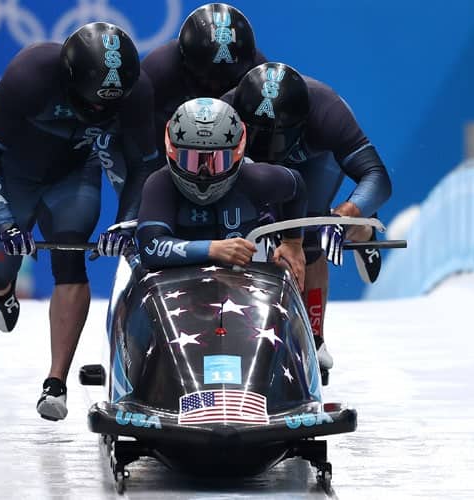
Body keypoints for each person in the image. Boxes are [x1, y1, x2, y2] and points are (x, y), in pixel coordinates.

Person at [0, 22, 159, 421]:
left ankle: (56, 382)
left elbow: (143, 167)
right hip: (12, 177)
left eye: (109, 105)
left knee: (70, 261)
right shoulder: (30, 74)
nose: (98, 112)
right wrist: (3, 217)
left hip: (74, 175)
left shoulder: (137, 91)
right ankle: (1, 291)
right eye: (91, 103)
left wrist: (125, 224)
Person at [229, 62, 392, 371]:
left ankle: (314, 338)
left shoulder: (328, 115)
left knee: (311, 229)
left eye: (275, 138)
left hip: (315, 164)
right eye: (257, 135)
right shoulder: (229, 107)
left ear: (302, 125)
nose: (267, 147)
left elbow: (377, 177)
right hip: (249, 167)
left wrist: (343, 217)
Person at [136, 98, 307, 284]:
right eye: (192, 161)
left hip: (247, 289)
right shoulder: (160, 183)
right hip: (179, 290)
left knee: (303, 261)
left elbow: (297, 186)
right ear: (172, 152)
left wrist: (293, 243)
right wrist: (213, 249)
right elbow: (150, 248)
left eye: (216, 161)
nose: (204, 174)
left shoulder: (258, 179)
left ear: (237, 153)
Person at [141, 3, 267, 155]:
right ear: (183, 60)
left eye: (226, 83)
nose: (215, 89)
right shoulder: (158, 71)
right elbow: (133, 125)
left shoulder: (258, 76)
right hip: (164, 137)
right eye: (208, 81)